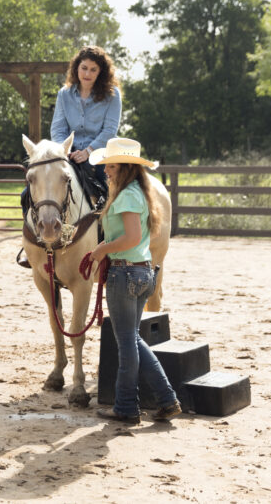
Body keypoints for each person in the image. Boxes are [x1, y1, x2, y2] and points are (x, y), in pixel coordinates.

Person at [89, 137, 181, 424]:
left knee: (127, 342)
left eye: (112, 167)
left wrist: (101, 249)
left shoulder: (128, 196)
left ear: (126, 168)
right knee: (132, 339)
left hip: (125, 273)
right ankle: (166, 399)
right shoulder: (140, 193)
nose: (106, 172)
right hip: (141, 272)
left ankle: (127, 406)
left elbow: (128, 237)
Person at [50, 45, 122, 197]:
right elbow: (58, 130)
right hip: (69, 155)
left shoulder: (113, 94)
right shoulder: (64, 94)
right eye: (84, 68)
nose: (87, 73)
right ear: (76, 68)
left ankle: (108, 219)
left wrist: (88, 152)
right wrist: (66, 152)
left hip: (101, 154)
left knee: (107, 191)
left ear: (100, 72)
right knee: (29, 193)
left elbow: (109, 131)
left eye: (93, 69)